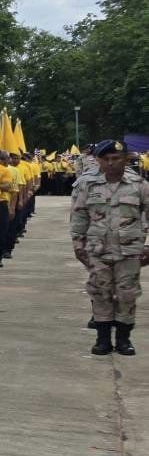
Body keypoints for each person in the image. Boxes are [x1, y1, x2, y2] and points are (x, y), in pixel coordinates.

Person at [71, 139, 149, 356]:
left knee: (127, 295)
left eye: (116, 159)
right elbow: (79, 216)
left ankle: (124, 340)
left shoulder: (140, 186)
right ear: (99, 161)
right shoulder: (89, 185)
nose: (111, 163)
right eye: (106, 159)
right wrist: (78, 245)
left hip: (130, 250)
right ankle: (103, 340)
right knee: (100, 292)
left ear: (125, 159)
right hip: (97, 250)